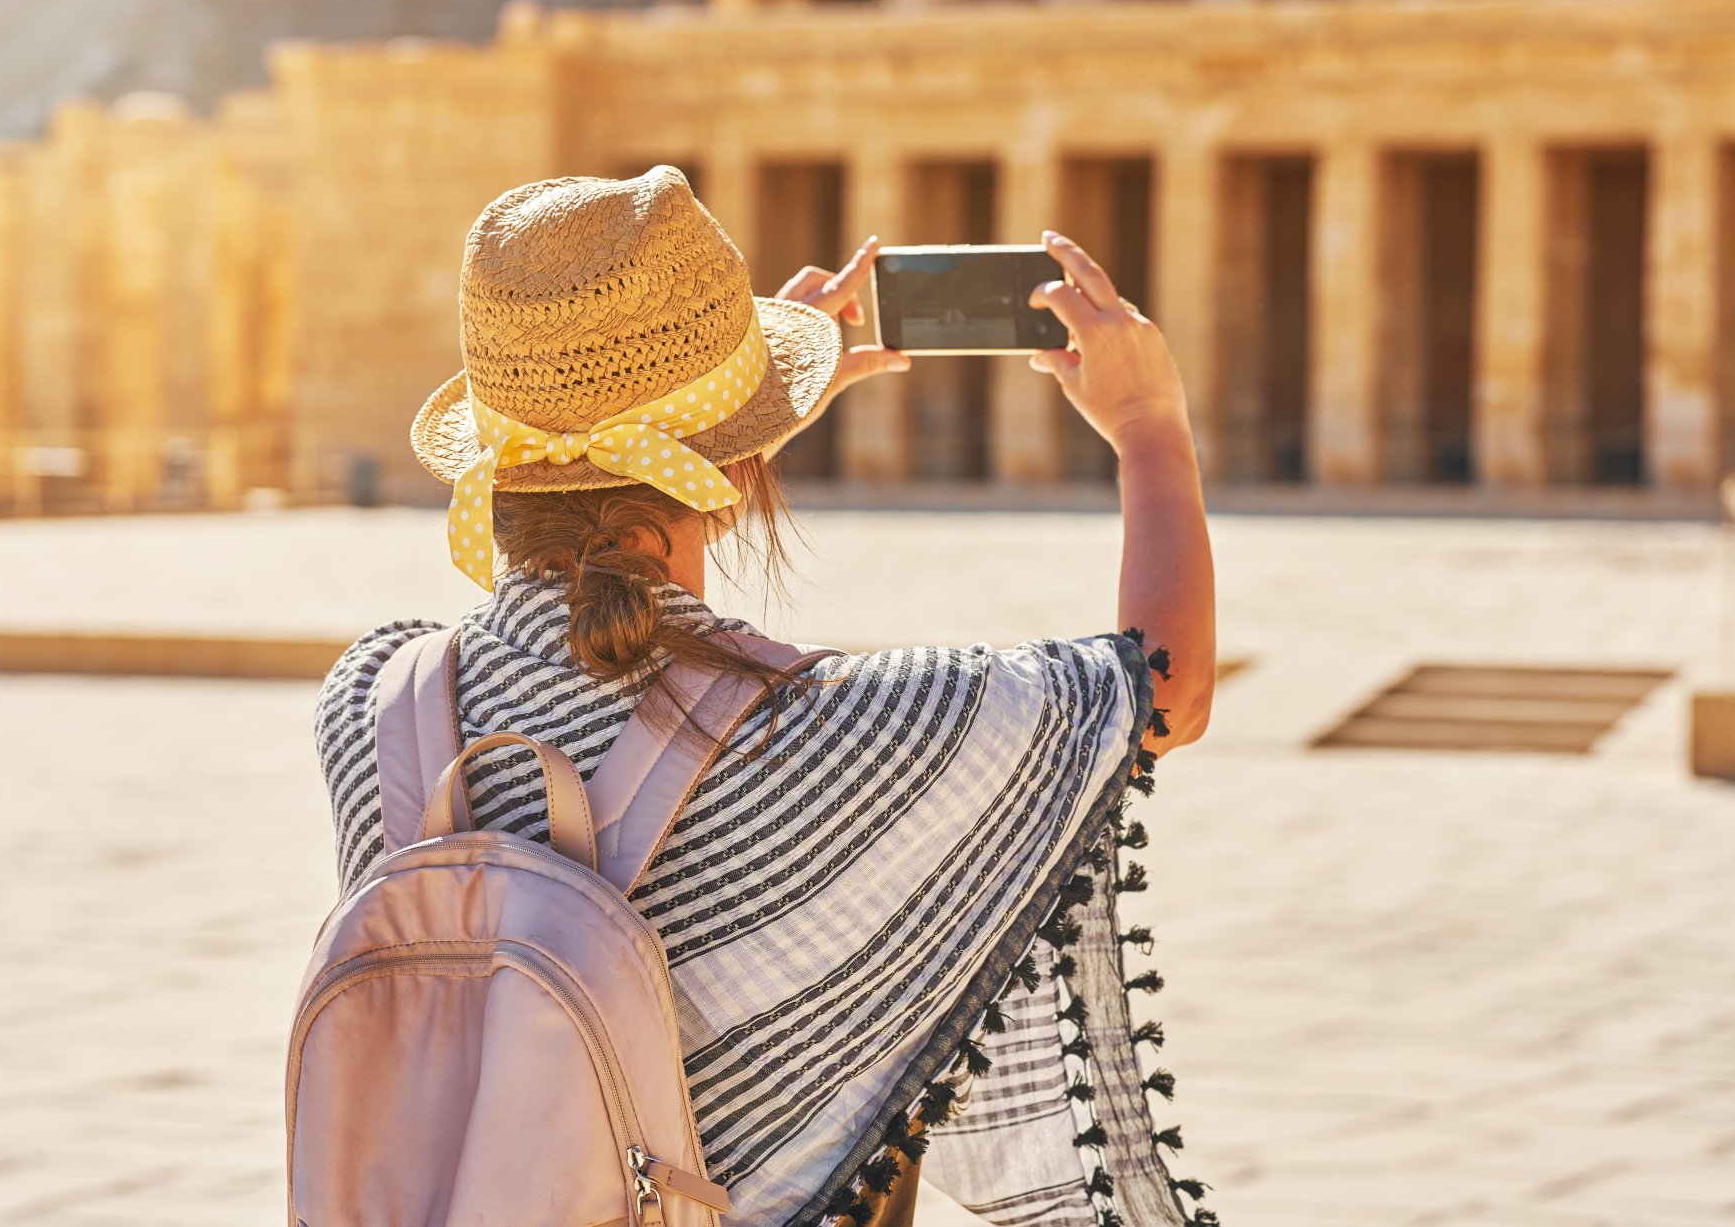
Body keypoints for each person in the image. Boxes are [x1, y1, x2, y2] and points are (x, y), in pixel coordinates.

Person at [314, 166, 1216, 1227]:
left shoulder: (377, 699)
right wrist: (1152, 425)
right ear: (727, 471)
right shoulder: (835, 730)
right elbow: (1162, 688)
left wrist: (733, 433)